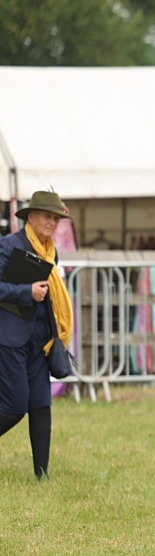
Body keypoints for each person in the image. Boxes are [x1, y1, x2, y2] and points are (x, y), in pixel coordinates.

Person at [0, 191, 73, 480]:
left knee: (41, 406)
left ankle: (42, 476)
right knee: (15, 406)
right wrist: (25, 292)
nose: (52, 223)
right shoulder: (8, 245)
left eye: (56, 218)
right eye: (47, 216)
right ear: (30, 216)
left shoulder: (50, 250)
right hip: (10, 339)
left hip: (41, 340)